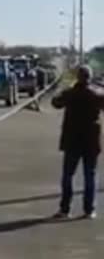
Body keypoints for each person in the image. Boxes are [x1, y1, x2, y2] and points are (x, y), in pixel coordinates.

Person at [51, 65, 104, 219]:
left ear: (78, 77)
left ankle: (65, 209)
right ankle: (89, 210)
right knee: (90, 176)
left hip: (72, 141)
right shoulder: (97, 94)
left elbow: (55, 103)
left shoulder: (69, 93)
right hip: (91, 142)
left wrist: (63, 88)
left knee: (68, 175)